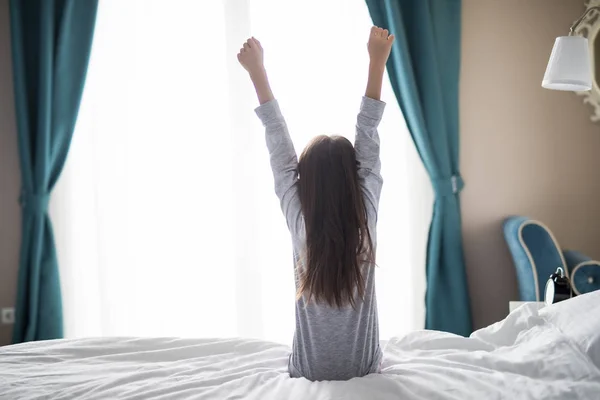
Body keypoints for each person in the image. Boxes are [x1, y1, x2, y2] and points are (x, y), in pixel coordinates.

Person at [237, 26, 395, 381]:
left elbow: (280, 150)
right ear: (354, 179)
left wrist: (258, 72)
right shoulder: (365, 213)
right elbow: (367, 137)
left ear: (304, 183)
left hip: (308, 371)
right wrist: (376, 62)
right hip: (365, 369)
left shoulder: (299, 220)